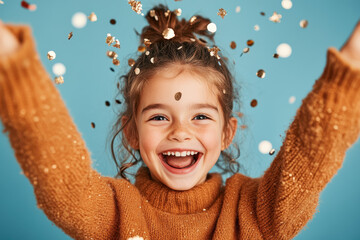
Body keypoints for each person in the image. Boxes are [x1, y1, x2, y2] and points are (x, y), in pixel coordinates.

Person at [0, 5, 359, 240]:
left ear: (227, 132)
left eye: (201, 116)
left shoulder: (256, 212)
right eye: (158, 116)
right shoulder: (112, 212)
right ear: (131, 133)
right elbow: (61, 178)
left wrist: (351, 68)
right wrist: (12, 63)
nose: (180, 132)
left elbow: (309, 158)